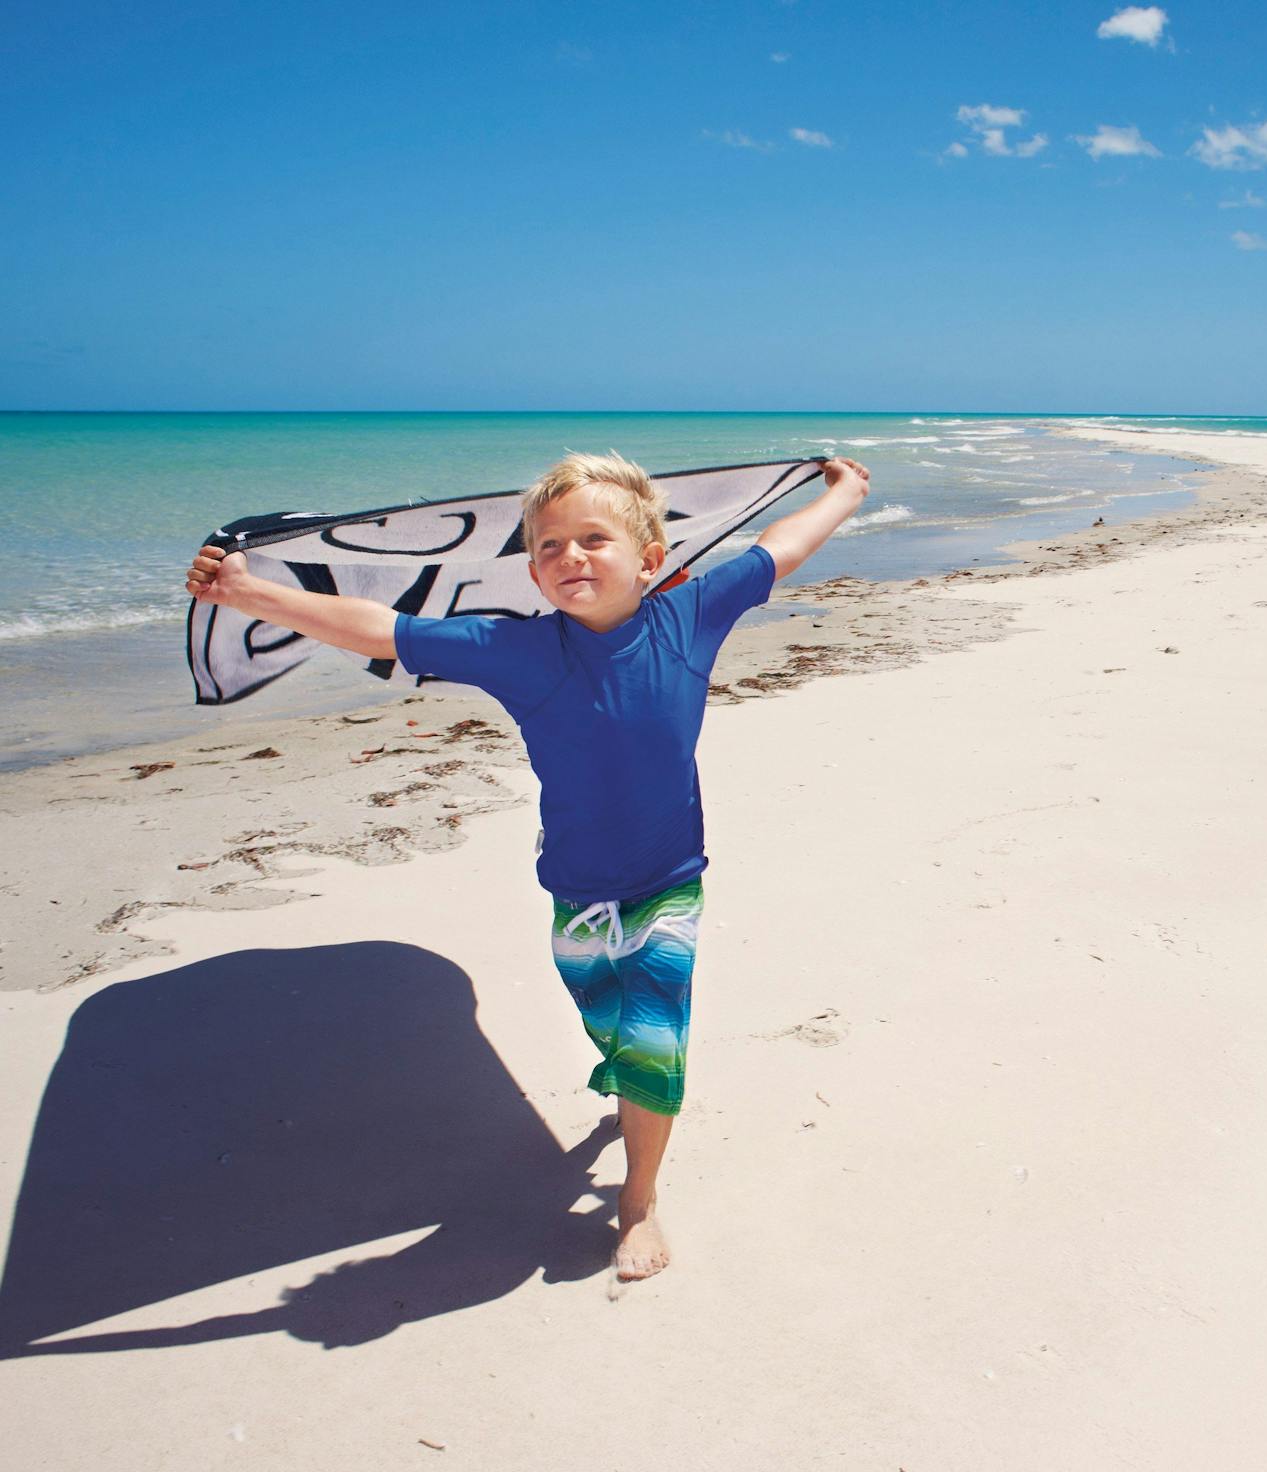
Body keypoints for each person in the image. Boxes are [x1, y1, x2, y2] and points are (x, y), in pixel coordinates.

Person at [185, 450, 871, 1281]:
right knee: (606, 1023)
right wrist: (250, 593)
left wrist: (844, 490)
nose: (569, 557)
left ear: (649, 560)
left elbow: (781, 549)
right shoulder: (515, 650)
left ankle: (639, 1200)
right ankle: (627, 1086)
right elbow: (380, 630)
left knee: (653, 1046)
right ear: (532, 571)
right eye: (548, 546)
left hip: (668, 884)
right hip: (578, 893)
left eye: (592, 539)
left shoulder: (689, 615)